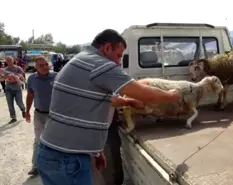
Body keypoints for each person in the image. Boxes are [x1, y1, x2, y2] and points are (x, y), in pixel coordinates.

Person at [36, 29, 181, 185]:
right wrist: (171, 95)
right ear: (106, 48)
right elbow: (145, 94)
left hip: (54, 153)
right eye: (118, 55)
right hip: (68, 159)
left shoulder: (81, 60)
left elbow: (100, 99)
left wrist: (127, 102)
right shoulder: (100, 64)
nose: (119, 62)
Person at [25, 56, 57, 176]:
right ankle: (36, 166)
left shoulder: (57, 76)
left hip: (55, 115)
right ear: (36, 67)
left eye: (46, 64)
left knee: (57, 140)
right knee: (39, 140)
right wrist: (27, 111)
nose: (45, 67)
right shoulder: (32, 79)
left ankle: (56, 165)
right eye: (41, 65)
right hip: (39, 114)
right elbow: (30, 95)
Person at [1, 56, 26, 123]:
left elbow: (22, 77)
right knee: (10, 104)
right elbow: (1, 79)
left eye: (10, 60)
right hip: (8, 89)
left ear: (13, 60)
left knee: (19, 103)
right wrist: (7, 77)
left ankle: (23, 110)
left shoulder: (18, 68)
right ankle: (13, 117)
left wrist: (15, 78)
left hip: (17, 88)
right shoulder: (5, 69)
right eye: (7, 60)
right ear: (6, 61)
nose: (9, 61)